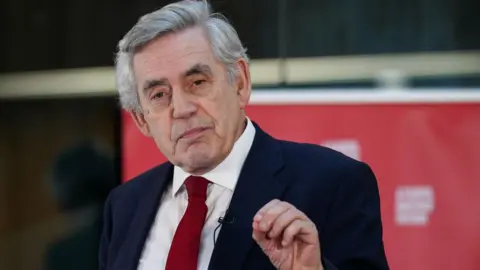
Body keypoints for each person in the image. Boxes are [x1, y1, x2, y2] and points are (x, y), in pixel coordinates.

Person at [99, 1, 389, 269]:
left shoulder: (335, 183)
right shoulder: (124, 206)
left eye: (197, 82)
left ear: (239, 82)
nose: (182, 109)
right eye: (159, 94)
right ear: (141, 120)